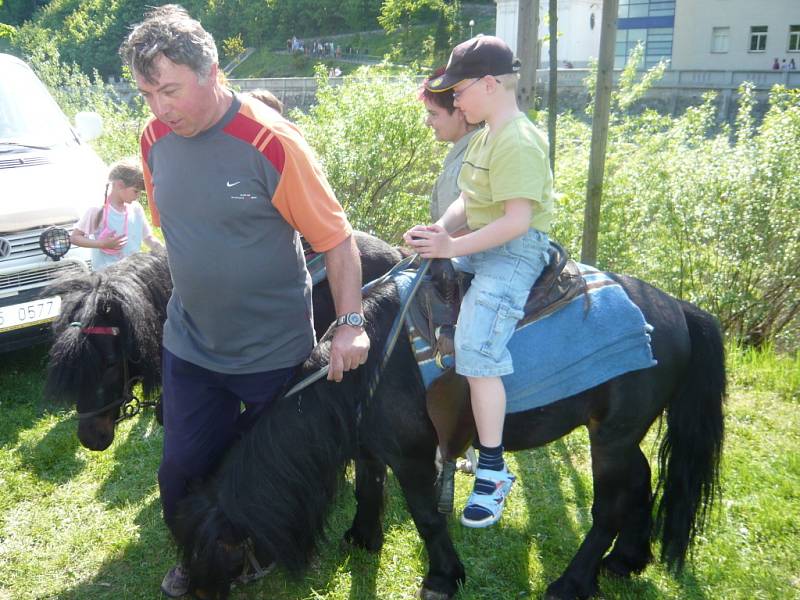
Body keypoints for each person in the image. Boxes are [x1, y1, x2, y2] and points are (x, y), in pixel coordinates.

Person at [119, 5, 369, 597]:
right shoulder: (153, 139)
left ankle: (253, 549)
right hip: (192, 344)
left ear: (212, 73)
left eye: (171, 90)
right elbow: (175, 230)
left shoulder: (271, 140)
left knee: (266, 468)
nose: (160, 108)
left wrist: (351, 322)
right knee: (180, 466)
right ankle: (197, 553)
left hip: (272, 351)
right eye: (147, 93)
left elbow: (337, 241)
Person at [404, 35, 554, 529]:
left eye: (460, 89)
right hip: (482, 245)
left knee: (475, 346)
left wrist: (451, 248)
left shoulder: (517, 138)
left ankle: (492, 468)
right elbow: (468, 203)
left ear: (489, 84)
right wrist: (437, 233)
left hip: (511, 253)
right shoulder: (489, 133)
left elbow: (515, 221)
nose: (456, 99)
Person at [70, 158, 163, 270]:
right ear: (119, 185)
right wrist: (102, 244)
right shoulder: (97, 210)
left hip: (131, 276)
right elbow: (75, 237)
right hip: (105, 278)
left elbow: (148, 238)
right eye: (135, 191)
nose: (137, 196)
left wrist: (165, 252)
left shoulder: (136, 209)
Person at [420, 66, 481, 221]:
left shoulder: (459, 168)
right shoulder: (486, 147)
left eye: (433, 114)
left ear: (460, 110)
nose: (428, 122)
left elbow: (453, 236)